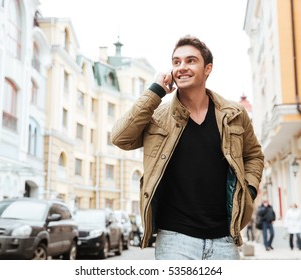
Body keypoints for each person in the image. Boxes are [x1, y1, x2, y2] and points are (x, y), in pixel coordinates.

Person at [111, 35, 264, 260]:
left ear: (207, 68)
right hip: (175, 239)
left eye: (191, 61)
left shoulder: (233, 114)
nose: (182, 67)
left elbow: (254, 156)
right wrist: (155, 91)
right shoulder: (158, 116)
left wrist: (248, 191)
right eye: (176, 62)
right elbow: (120, 137)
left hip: (224, 238)